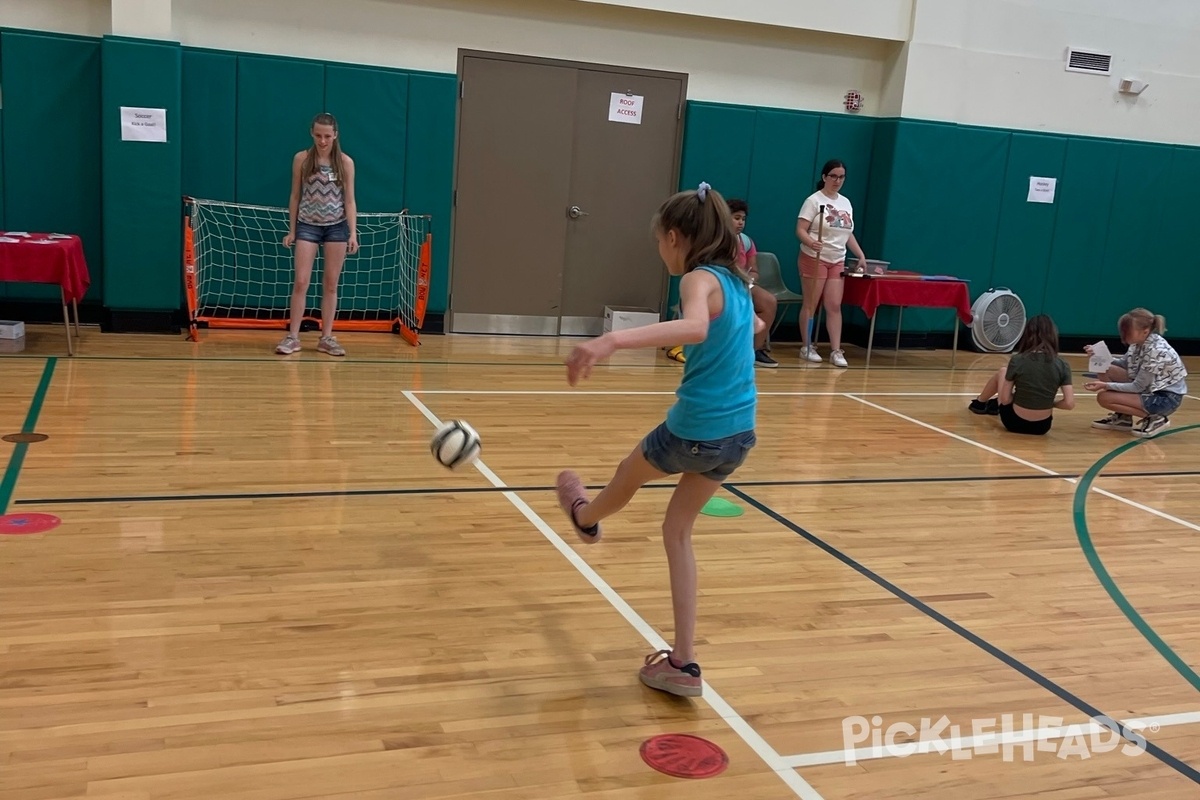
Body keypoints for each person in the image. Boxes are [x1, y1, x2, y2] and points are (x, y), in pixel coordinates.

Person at [555, 182, 759, 699]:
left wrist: (611, 339)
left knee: (629, 473)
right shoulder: (734, 283)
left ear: (675, 238)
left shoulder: (698, 279)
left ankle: (586, 518)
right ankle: (683, 664)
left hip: (697, 428)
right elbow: (756, 323)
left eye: (659, 243)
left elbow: (692, 328)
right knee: (677, 530)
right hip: (739, 434)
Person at [276, 112, 358, 357]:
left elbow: (350, 200)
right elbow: (294, 196)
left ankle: (327, 338)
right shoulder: (301, 159)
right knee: (301, 281)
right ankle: (293, 337)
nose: (323, 141)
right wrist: (292, 230)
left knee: (331, 284)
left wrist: (352, 233)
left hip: (336, 227)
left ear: (335, 135)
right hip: (307, 225)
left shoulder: (345, 163)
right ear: (312, 133)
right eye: (318, 135)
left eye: (327, 136)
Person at [795, 159, 869, 368]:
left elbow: (847, 232)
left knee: (834, 305)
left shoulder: (845, 202)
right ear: (824, 177)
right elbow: (800, 229)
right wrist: (811, 241)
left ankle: (836, 350)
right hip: (814, 257)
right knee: (811, 304)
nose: (838, 180)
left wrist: (860, 254)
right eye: (834, 176)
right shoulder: (813, 201)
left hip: (838, 258)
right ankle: (807, 346)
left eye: (841, 177)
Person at [1086, 308, 1188, 438]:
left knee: (1104, 397)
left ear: (1145, 331)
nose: (1123, 335)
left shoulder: (1155, 351)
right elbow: (1124, 363)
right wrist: (1099, 355)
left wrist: (1105, 386)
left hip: (1165, 398)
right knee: (1105, 367)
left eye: (1127, 331)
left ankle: (1156, 418)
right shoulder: (1139, 342)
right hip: (1151, 389)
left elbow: (1138, 387)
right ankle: (1124, 418)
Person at [967, 314, 1074, 435]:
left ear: (1027, 334)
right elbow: (1069, 404)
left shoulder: (1018, 360)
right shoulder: (1062, 364)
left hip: (1014, 422)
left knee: (1003, 371)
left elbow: (1006, 399)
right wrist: (1049, 403)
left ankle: (980, 403)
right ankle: (984, 403)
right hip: (1042, 427)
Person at [728, 199, 778, 368]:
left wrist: (750, 280)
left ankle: (753, 351)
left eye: (743, 219)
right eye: (736, 218)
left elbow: (754, 270)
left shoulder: (747, 242)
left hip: (743, 284)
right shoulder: (716, 240)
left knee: (769, 301)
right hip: (722, 285)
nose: (741, 222)